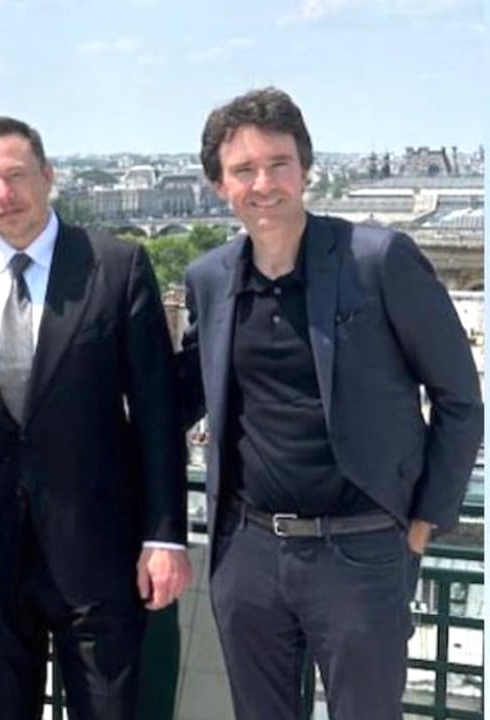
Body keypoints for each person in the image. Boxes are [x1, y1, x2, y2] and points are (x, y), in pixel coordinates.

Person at [178, 87, 483, 719]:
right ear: (218, 185)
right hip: (250, 552)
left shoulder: (377, 260)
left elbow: (459, 396)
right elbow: (179, 397)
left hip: (361, 548)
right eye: (243, 170)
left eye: (278, 164)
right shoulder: (210, 279)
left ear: (306, 169)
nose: (264, 184)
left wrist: (425, 521)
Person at [0, 116, 191, 720]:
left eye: (15, 177)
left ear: (48, 175)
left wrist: (164, 533)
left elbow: (155, 412)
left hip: (99, 554)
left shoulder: (116, 267)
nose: (3, 196)